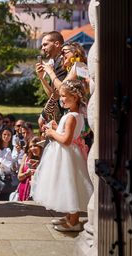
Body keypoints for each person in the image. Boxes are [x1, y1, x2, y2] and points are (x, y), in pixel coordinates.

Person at [31, 80, 93, 232]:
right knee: (66, 185)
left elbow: (66, 140)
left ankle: (74, 221)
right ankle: (69, 217)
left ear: (75, 97)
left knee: (69, 185)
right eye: (61, 96)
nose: (61, 99)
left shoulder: (72, 116)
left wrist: (52, 133)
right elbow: (66, 134)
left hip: (67, 155)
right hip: (67, 154)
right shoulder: (73, 114)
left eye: (65, 96)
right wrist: (55, 127)